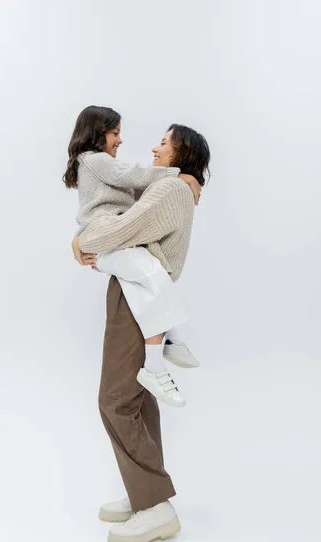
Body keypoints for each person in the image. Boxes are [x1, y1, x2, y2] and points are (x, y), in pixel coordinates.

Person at [72, 117, 210, 542]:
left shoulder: (171, 188)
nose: (154, 149)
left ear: (181, 152)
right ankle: (145, 495)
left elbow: (124, 229)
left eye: (164, 143)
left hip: (136, 299)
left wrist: (82, 240)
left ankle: (155, 508)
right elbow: (130, 226)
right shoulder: (174, 186)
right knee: (135, 400)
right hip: (137, 294)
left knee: (114, 400)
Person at [64, 105, 203, 408]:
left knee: (149, 276)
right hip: (107, 238)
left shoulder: (98, 166)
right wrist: (179, 175)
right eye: (115, 133)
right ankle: (157, 362)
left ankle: (169, 343)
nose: (120, 140)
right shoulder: (95, 159)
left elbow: (138, 204)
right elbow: (134, 175)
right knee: (151, 273)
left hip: (111, 241)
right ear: (97, 134)